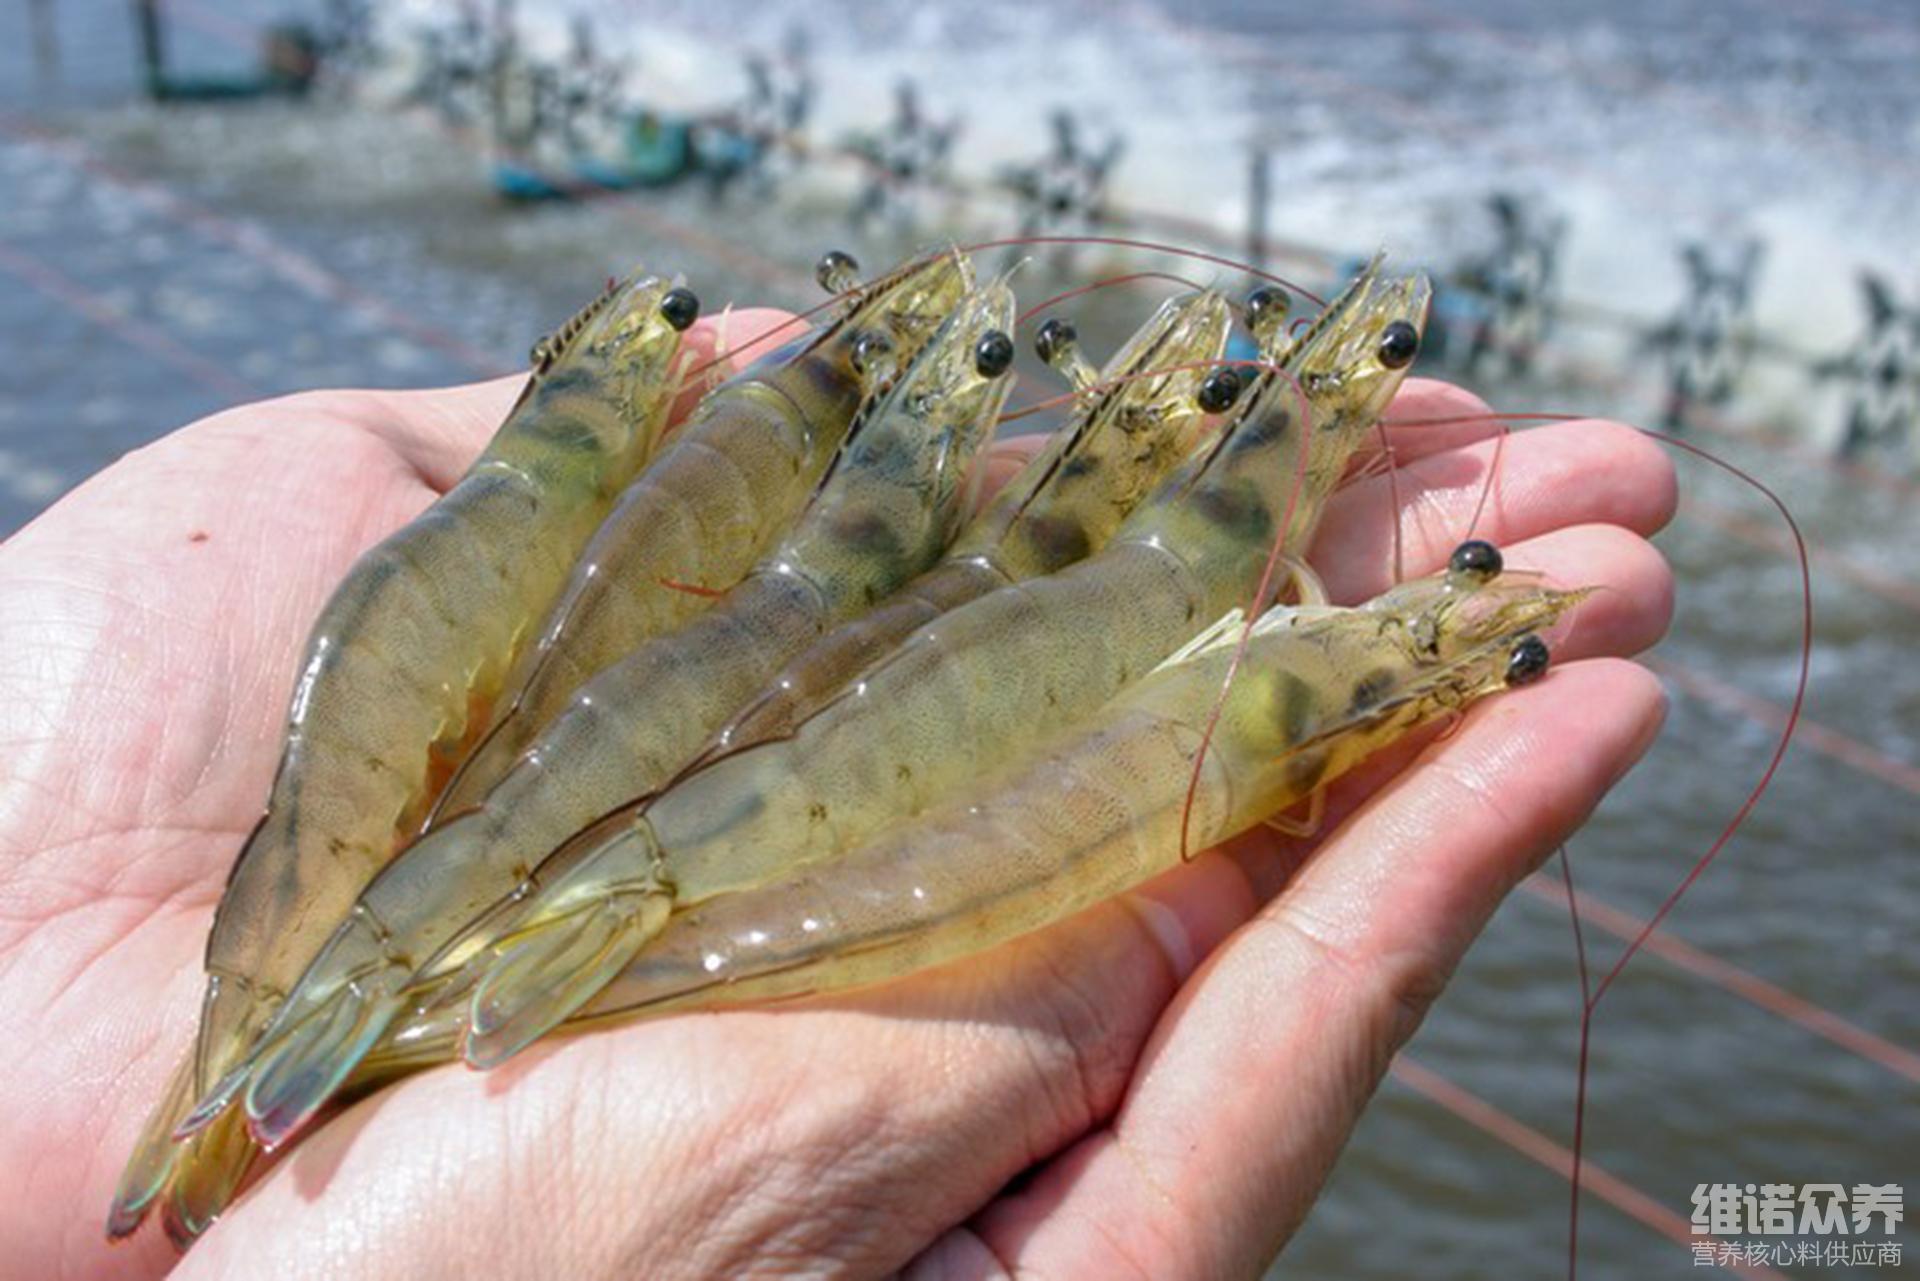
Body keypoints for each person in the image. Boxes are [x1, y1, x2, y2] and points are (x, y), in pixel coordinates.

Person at [0, 306, 1674, 1280]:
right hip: (755, 795)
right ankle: (324, 1040)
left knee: (894, 634)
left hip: (840, 754)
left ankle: (330, 1046)